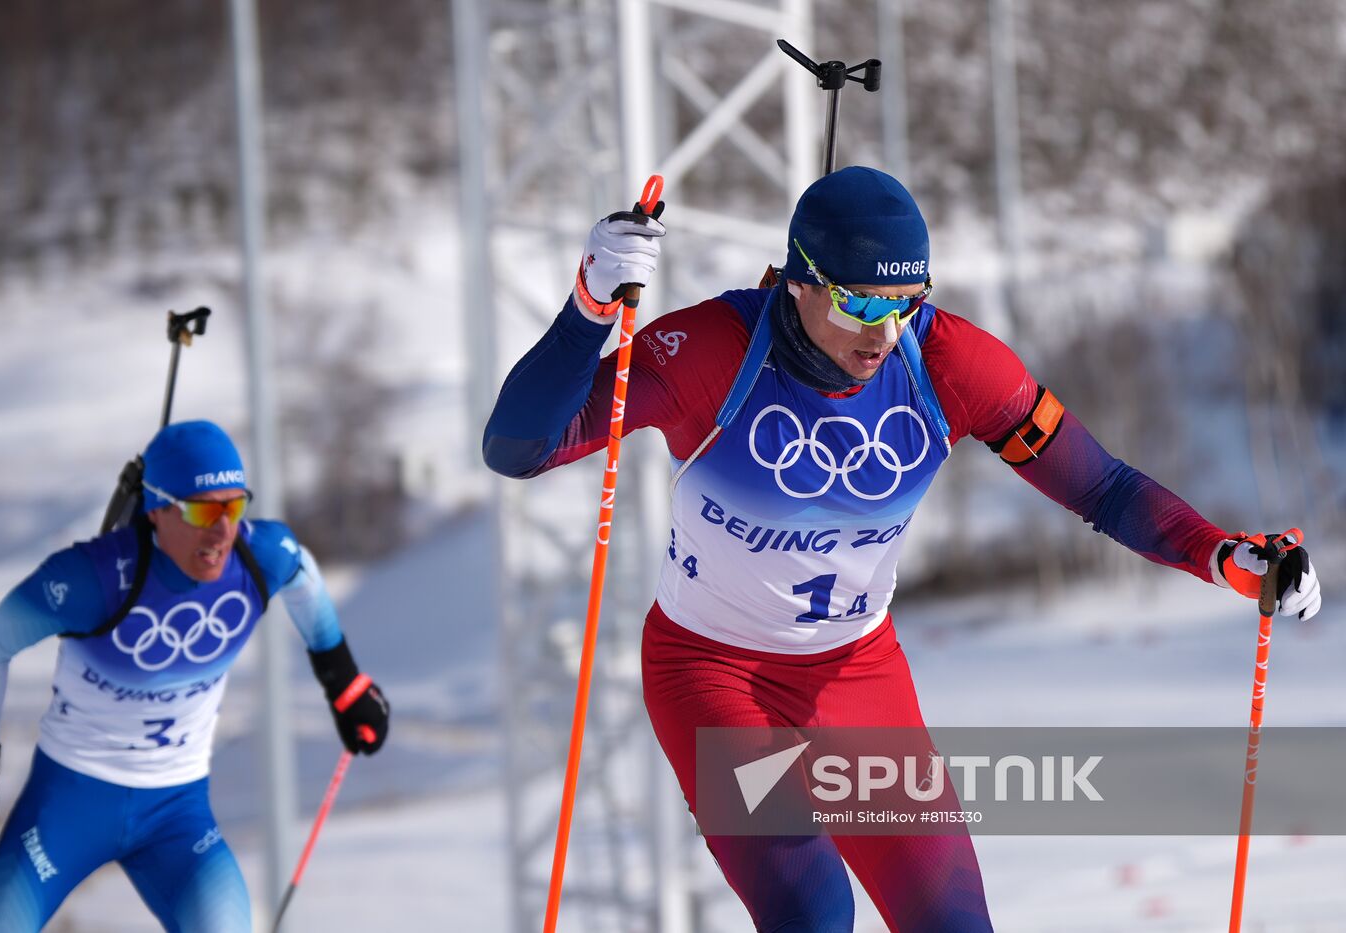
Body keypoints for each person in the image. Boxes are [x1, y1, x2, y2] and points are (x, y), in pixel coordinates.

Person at [482, 167, 1322, 932]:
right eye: (857, 303)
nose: (882, 331)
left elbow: (1099, 486)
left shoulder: (951, 360)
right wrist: (591, 308)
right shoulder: (708, 352)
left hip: (854, 673)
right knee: (813, 911)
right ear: (799, 281)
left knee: (950, 921)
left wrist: (1222, 555)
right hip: (711, 672)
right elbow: (518, 447)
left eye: (904, 301)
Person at [0, 420, 389, 931]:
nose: (223, 530)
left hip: (177, 817)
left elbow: (302, 573)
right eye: (203, 511)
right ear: (156, 509)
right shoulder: (91, 578)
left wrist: (344, 683)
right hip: (67, 807)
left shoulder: (256, 556)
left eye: (235, 506)